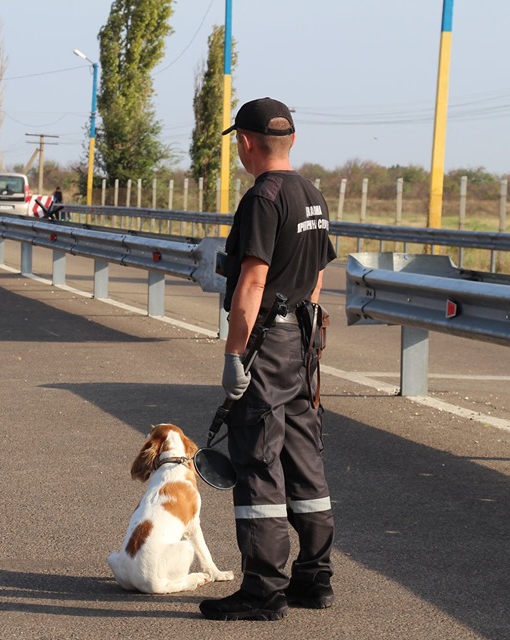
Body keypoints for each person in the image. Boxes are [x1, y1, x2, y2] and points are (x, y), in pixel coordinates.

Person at [200, 97, 337, 622]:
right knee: (304, 456)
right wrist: (310, 333)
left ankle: (262, 588)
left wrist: (236, 354)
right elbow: (320, 272)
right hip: (303, 339)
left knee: (258, 456)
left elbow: (253, 280)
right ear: (292, 141)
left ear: (245, 143)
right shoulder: (312, 193)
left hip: (267, 341)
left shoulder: (263, 198)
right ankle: (314, 577)